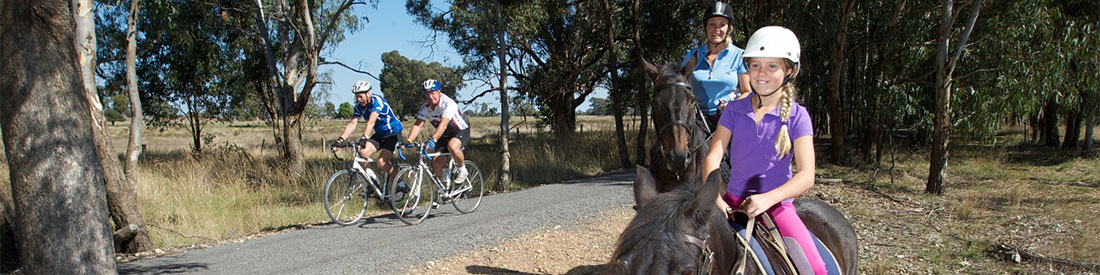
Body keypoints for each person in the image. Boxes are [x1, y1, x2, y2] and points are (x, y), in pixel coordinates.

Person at [701, 26, 826, 274]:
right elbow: (713, 156)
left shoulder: (798, 116)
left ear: (789, 70)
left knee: (816, 269)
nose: (761, 73)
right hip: (731, 202)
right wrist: (715, 197)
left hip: (778, 206)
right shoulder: (734, 110)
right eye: (755, 65)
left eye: (772, 66)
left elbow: (806, 175)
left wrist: (768, 199)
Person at [681, 1, 752, 131]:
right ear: (705, 28)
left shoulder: (739, 56)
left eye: (722, 25)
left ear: (729, 29)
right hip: (697, 120)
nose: (716, 29)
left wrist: (732, 106)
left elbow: (747, 91)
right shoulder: (692, 55)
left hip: (729, 118)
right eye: (712, 24)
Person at [331, 80, 404, 189]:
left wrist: (364, 138)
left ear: (368, 93)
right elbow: (352, 124)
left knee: (381, 162)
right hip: (380, 134)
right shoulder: (359, 107)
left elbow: (371, 122)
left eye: (360, 96)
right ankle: (374, 181)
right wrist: (340, 140)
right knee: (362, 152)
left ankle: (401, 183)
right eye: (356, 97)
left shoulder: (377, 101)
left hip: (393, 133)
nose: (358, 99)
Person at [405, 79, 471, 187]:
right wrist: (409, 140)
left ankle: (462, 169)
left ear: (439, 92)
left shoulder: (448, 103)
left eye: (433, 93)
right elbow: (418, 125)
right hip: (444, 134)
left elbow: (443, 124)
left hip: (460, 129)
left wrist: (433, 140)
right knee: (436, 162)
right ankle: (442, 190)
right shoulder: (425, 108)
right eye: (427, 94)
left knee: (452, 146)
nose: (430, 97)